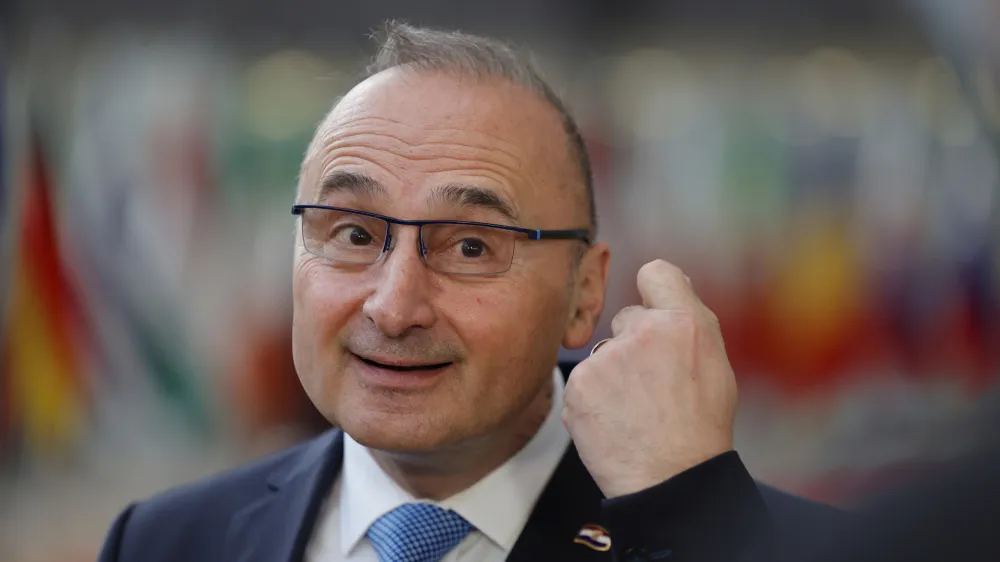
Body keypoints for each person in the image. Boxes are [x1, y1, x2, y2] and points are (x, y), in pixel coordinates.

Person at [96, 22, 838, 562]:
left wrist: (690, 523)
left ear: (585, 293)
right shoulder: (163, 542)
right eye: (353, 233)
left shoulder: (749, 543)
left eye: (472, 246)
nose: (394, 307)